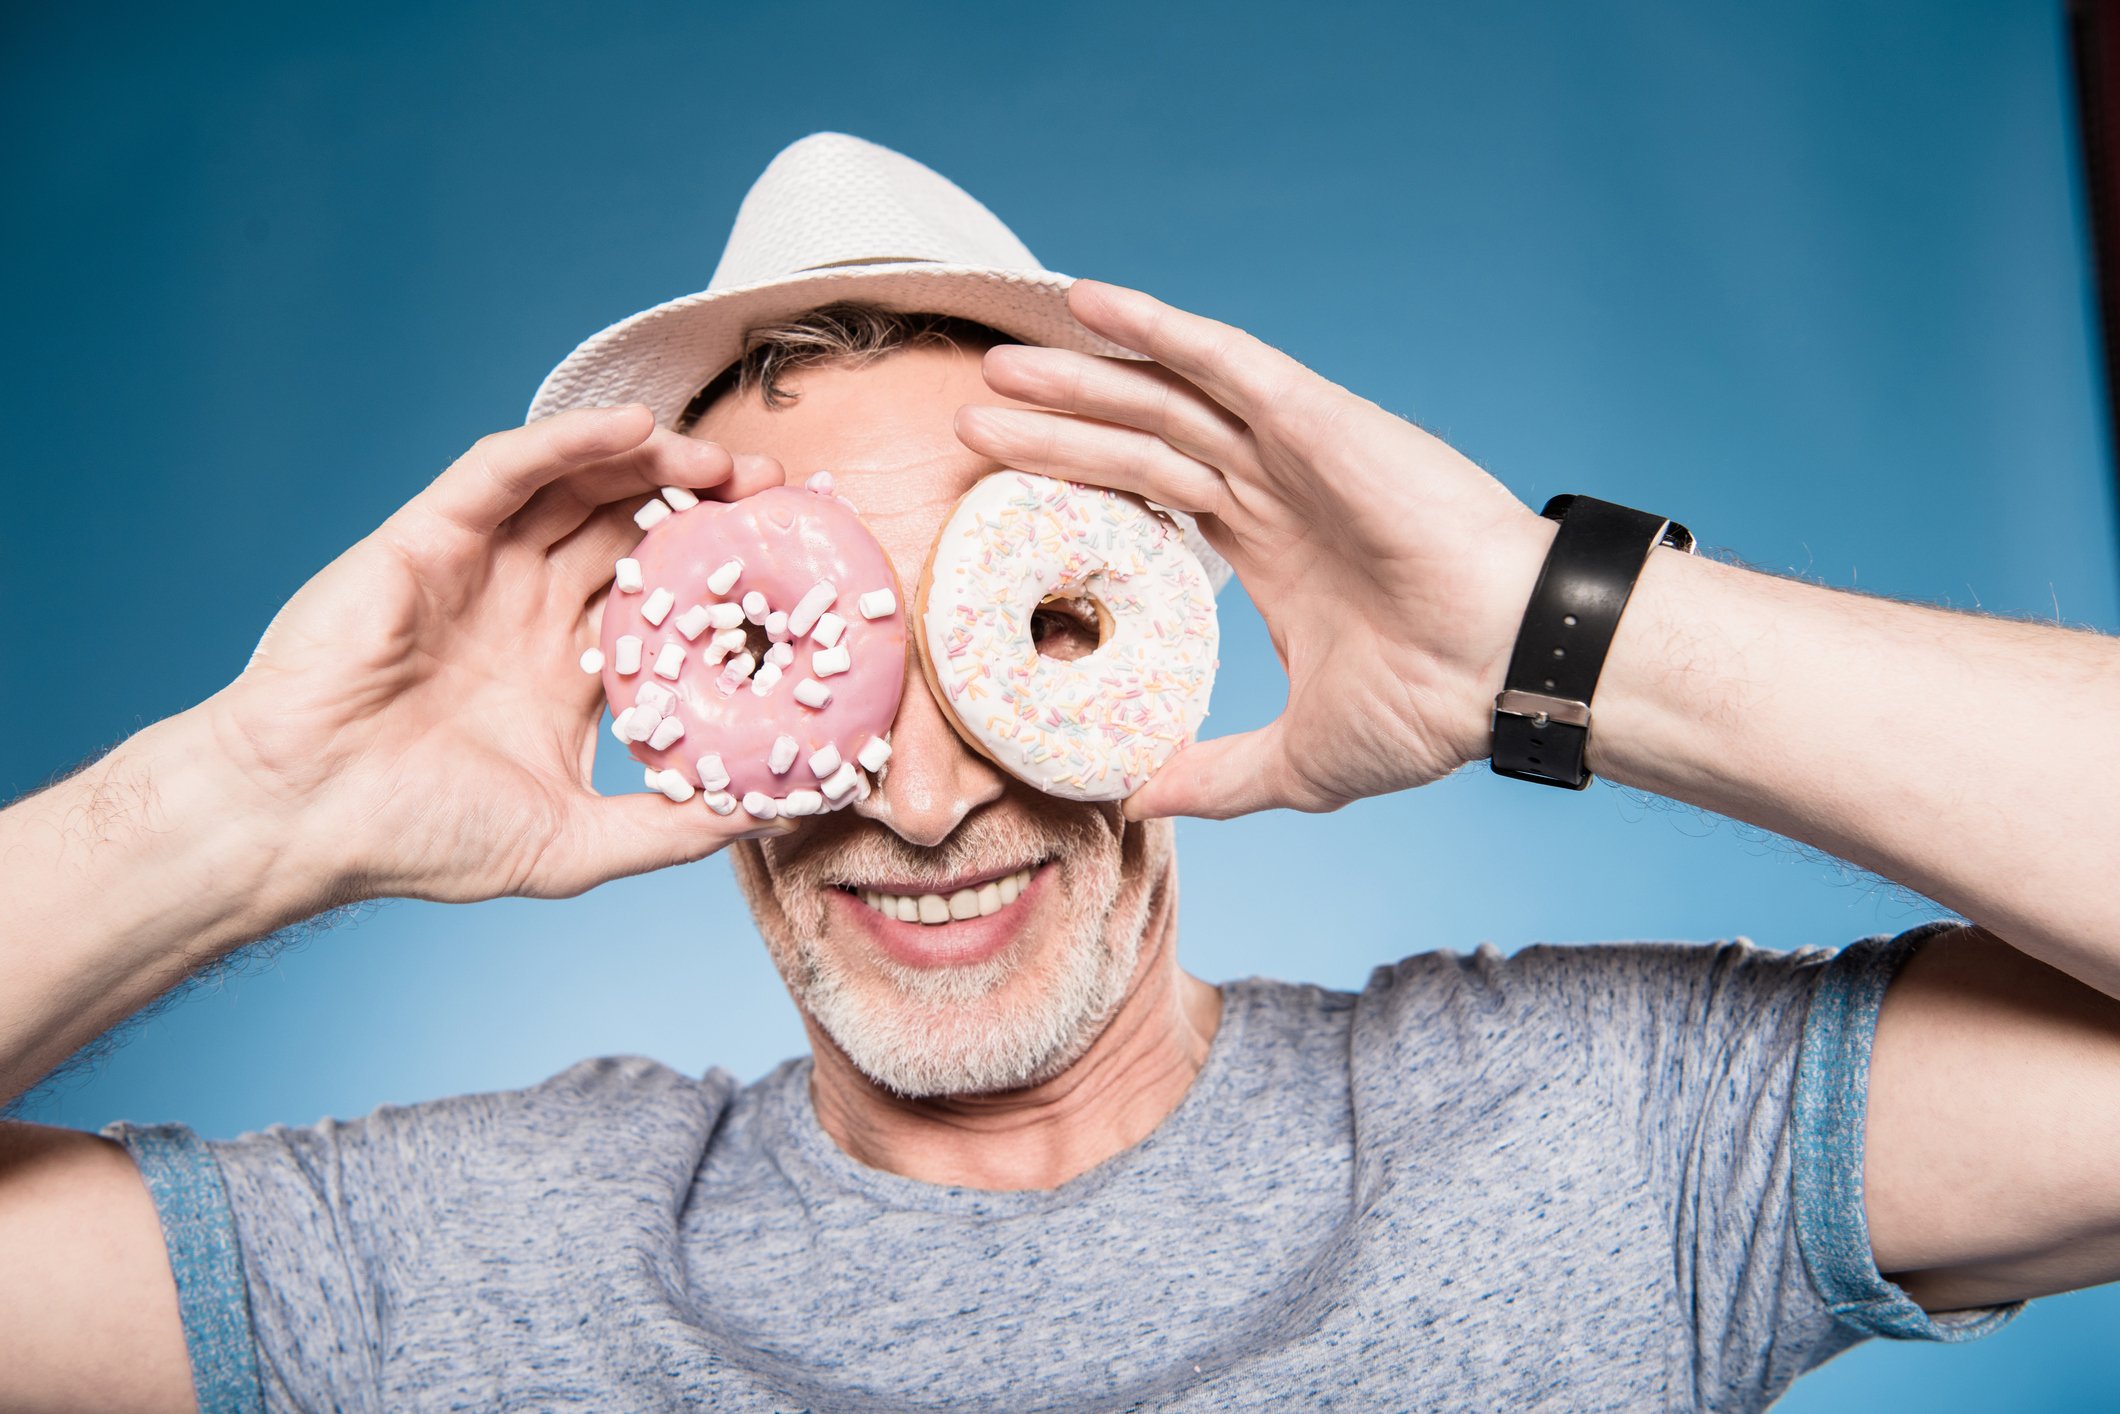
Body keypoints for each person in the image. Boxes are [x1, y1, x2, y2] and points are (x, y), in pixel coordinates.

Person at [3, 130, 2117, 1413]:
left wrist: (1546, 640)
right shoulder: (434, 1267)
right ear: (664, 675)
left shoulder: (1602, 1135)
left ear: (1165, 617)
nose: (920, 793)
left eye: (1015, 633)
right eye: (803, 640)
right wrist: (243, 812)